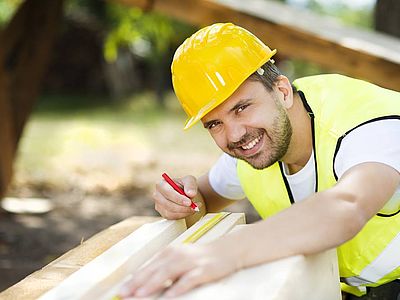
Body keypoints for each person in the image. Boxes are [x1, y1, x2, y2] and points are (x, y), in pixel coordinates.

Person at [120, 23, 400, 299]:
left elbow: (347, 207)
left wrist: (229, 251)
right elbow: (202, 201)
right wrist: (181, 200)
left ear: (282, 91)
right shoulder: (254, 144)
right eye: (215, 123)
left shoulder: (370, 126)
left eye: (241, 108)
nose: (235, 134)